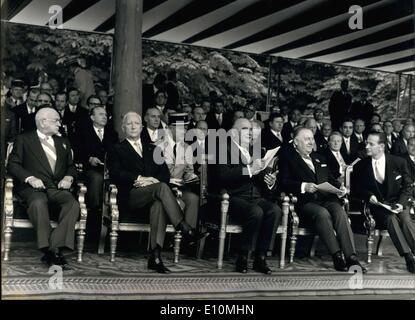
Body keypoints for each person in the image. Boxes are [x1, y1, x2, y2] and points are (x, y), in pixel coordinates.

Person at [108, 112, 207, 273]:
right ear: (123, 127)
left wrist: (151, 180)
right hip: (132, 195)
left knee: (159, 204)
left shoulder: (152, 148)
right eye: (129, 124)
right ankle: (184, 227)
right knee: (161, 187)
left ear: (141, 127)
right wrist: (140, 177)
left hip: (153, 194)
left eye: (136, 123)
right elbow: (116, 173)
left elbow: (164, 175)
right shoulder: (117, 148)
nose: (133, 126)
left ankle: (155, 256)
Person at [278, 127, 365, 272]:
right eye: (306, 139)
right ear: (296, 142)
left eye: (312, 139)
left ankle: (351, 258)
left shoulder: (320, 158)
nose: (311, 142)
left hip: (326, 199)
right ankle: (337, 256)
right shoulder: (288, 158)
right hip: (305, 202)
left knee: (340, 212)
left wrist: (340, 188)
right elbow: (283, 181)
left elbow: (330, 179)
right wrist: (303, 186)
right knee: (322, 213)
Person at [7, 108, 80, 269]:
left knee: (73, 204)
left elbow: (71, 166)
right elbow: (12, 164)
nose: (60, 124)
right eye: (56, 120)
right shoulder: (24, 139)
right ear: (43, 121)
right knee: (38, 202)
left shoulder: (63, 142)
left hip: (57, 188)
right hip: (32, 189)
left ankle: (53, 247)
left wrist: (69, 177)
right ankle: (52, 251)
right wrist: (30, 178)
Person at [215, 118, 281, 274]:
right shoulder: (224, 148)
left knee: (275, 210)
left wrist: (269, 180)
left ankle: (261, 257)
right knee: (256, 211)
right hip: (234, 196)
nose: (250, 132)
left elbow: (261, 177)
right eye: (245, 129)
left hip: (255, 196)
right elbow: (223, 175)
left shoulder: (255, 151)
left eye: (251, 129)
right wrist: (250, 169)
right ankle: (243, 256)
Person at [352, 132, 415, 273]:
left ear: (381, 146)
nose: (366, 146)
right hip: (378, 205)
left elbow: (408, 185)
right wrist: (369, 196)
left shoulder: (398, 162)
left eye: (371, 144)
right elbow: (356, 189)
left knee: (405, 219)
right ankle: (408, 257)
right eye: (366, 143)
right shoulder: (361, 166)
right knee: (391, 219)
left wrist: (401, 203)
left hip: (398, 202)